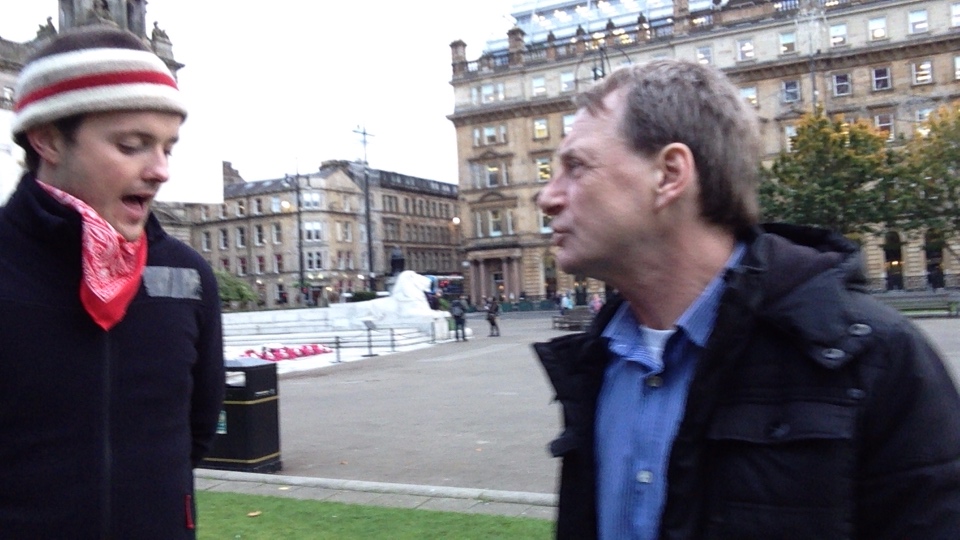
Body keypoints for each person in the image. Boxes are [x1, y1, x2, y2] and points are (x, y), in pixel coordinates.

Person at [533, 59, 960, 539]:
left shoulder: (877, 359)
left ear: (669, 174)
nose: (548, 198)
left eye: (576, 167)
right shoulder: (594, 361)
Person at [0, 26, 225, 538]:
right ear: (47, 140)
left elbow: (196, 430)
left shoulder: (188, 274)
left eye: (168, 147)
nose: (161, 170)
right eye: (132, 145)